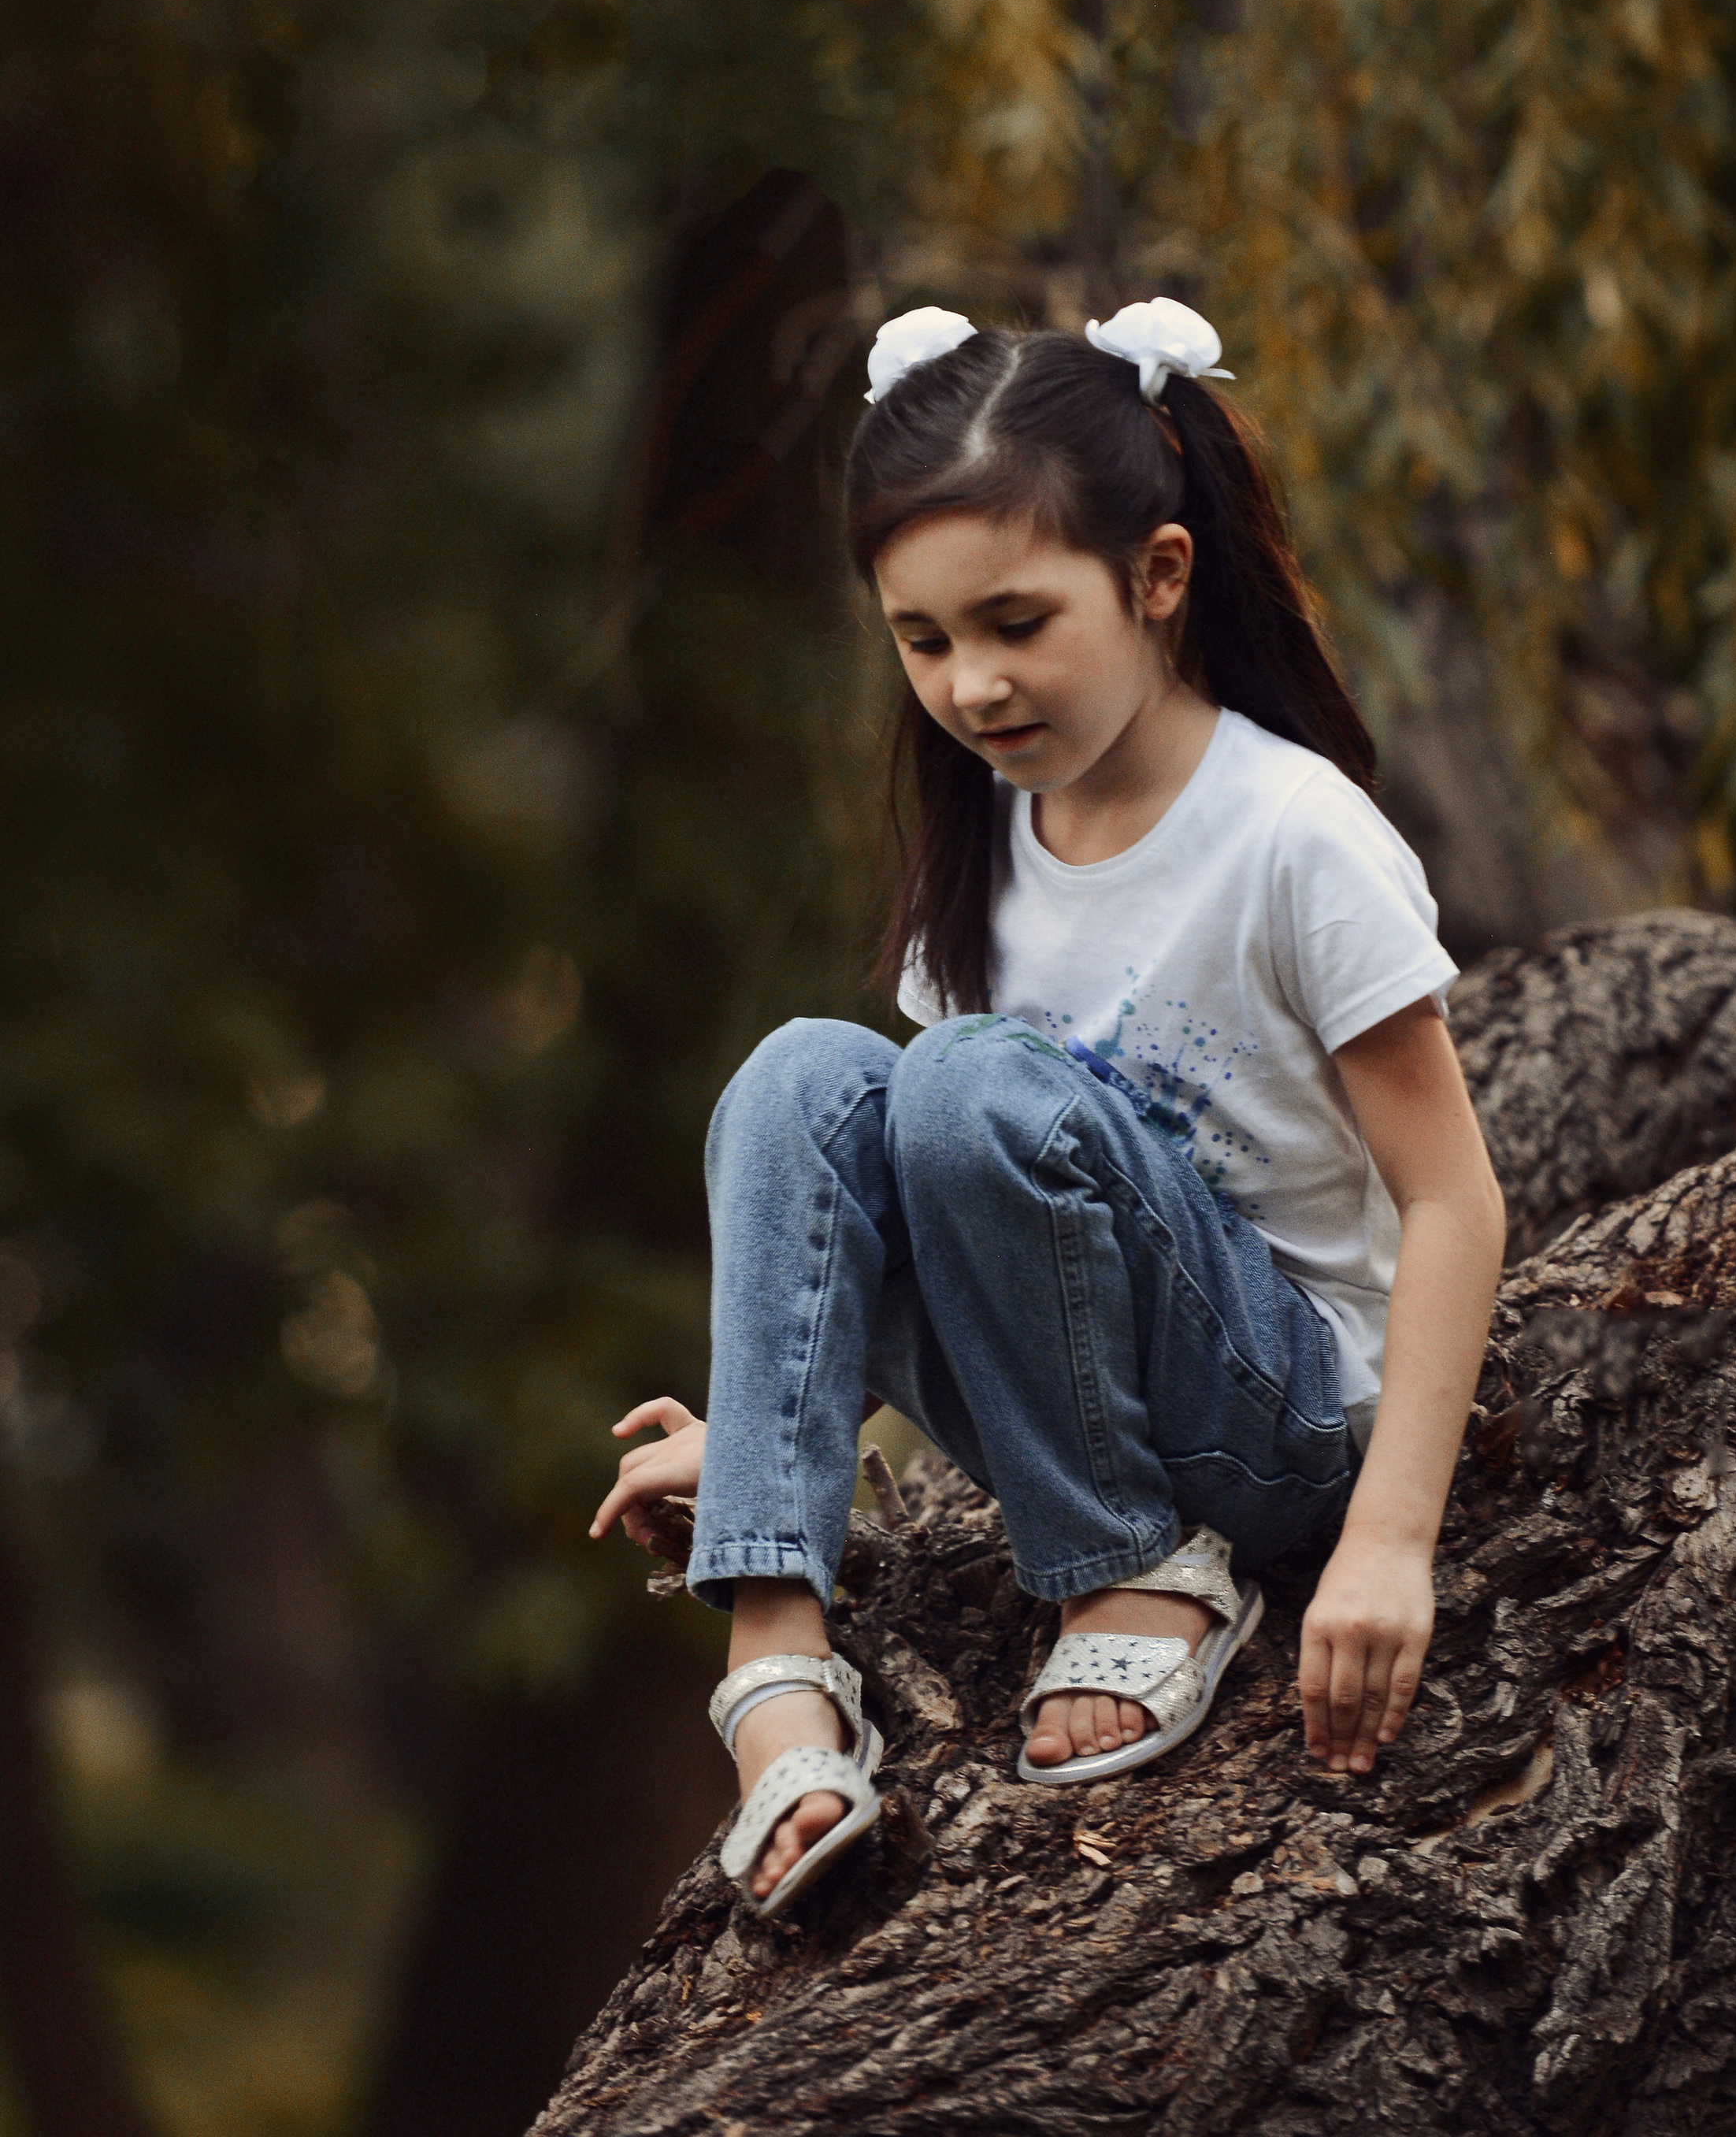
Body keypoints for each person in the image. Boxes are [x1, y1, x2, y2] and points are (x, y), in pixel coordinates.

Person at [592, 298, 1506, 1920]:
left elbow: (1450, 1201)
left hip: (1278, 1419)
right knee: (802, 1076)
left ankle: (1135, 1566)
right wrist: (771, 1437)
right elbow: (920, 1212)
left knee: (956, 1080)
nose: (968, 685)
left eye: (1015, 623)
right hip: (1063, 1408)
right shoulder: (988, 841)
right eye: (922, 639)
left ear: (1157, 578)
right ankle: (774, 1641)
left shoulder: (1291, 836)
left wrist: (1386, 1544)